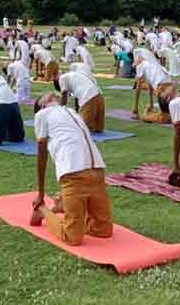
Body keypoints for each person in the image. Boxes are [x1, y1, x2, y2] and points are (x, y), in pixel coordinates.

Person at [29, 92, 113, 246]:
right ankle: (43, 211)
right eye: (43, 96)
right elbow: (41, 155)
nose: (48, 93)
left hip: (97, 170)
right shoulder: (42, 114)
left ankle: (64, 208)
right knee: (72, 237)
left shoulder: (72, 111)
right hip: (73, 175)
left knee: (103, 230)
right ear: (42, 104)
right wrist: (40, 193)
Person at [54, 67, 105, 132]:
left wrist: (60, 109)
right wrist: (77, 111)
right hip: (99, 96)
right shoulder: (73, 77)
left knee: (82, 129)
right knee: (98, 128)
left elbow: (64, 95)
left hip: (88, 98)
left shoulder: (62, 78)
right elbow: (76, 99)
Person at [133, 55, 174, 122]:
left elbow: (138, 88)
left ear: (139, 61)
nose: (134, 64)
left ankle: (165, 116)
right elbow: (150, 87)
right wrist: (151, 104)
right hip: (172, 88)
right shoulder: (154, 64)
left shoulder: (141, 66)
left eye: (135, 62)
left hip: (162, 88)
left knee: (163, 117)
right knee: (169, 113)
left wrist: (136, 108)